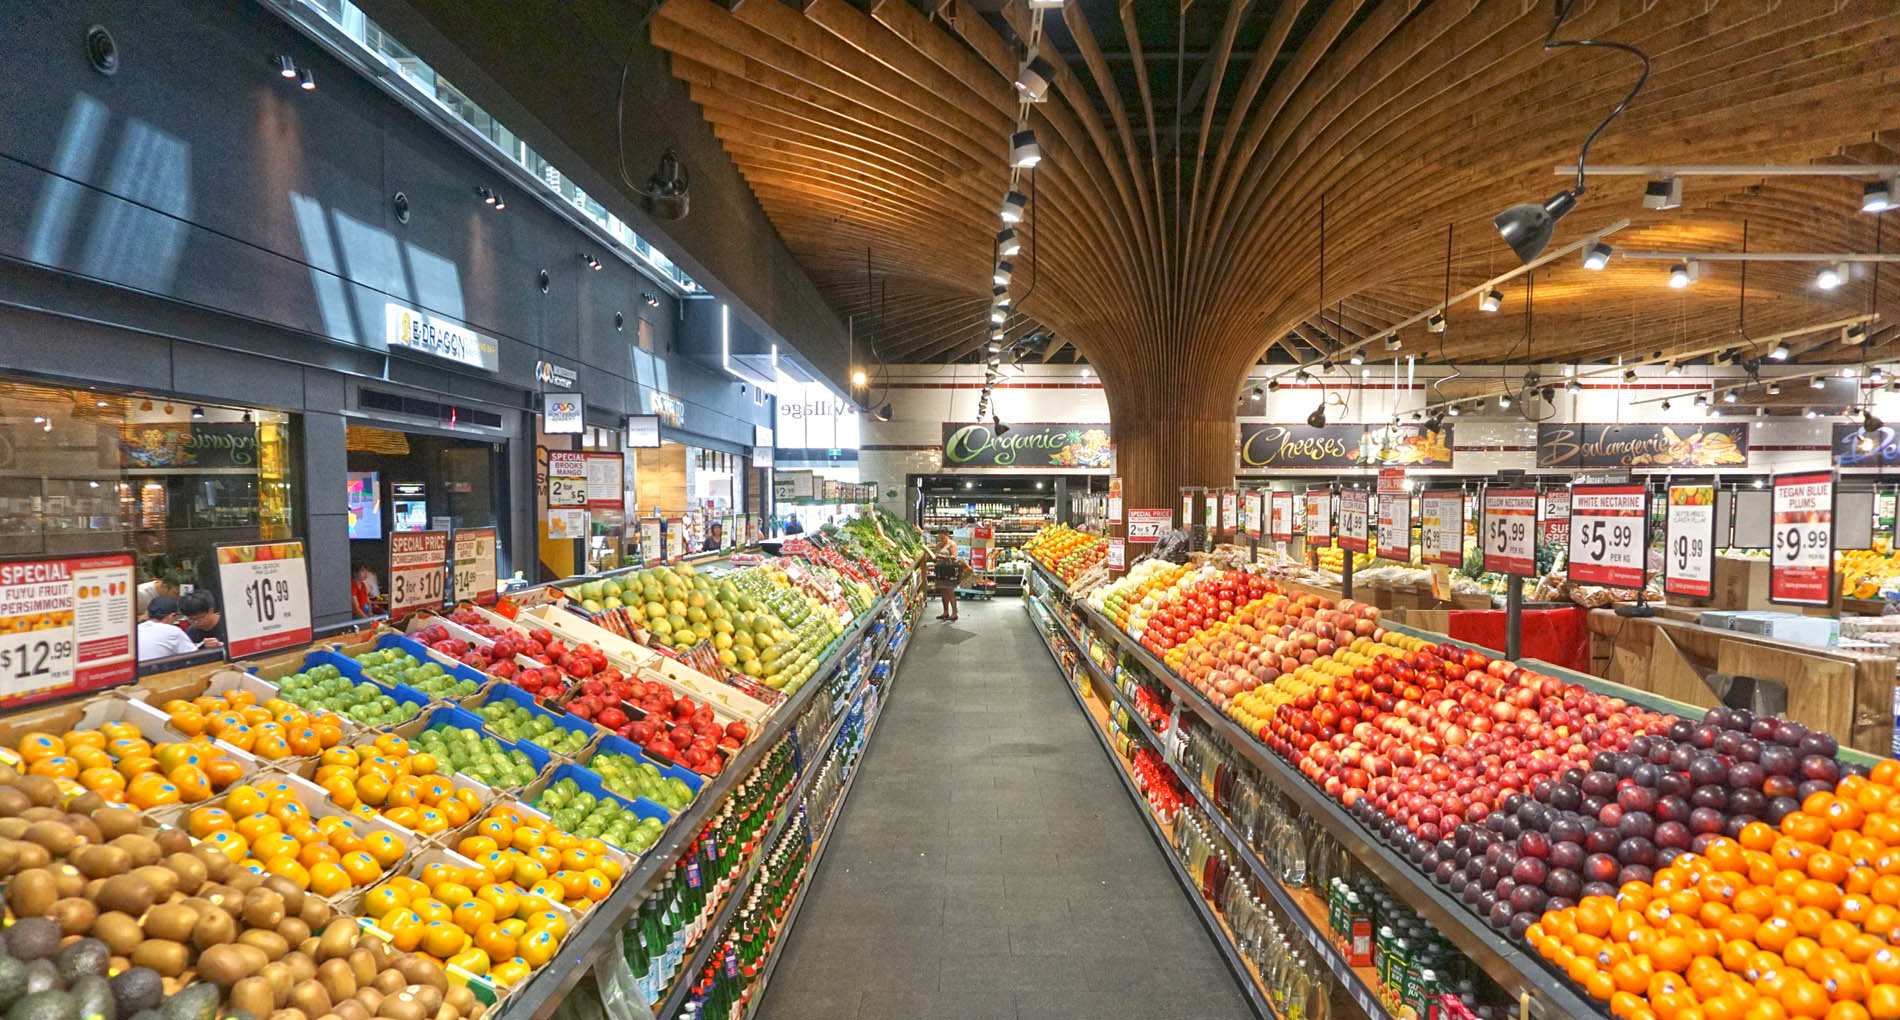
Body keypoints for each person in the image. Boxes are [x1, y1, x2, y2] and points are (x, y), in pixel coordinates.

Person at [136, 596, 200, 662]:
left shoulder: (137, 629)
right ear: (171, 616)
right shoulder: (174, 631)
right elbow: (194, 657)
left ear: (148, 613)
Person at [931, 528, 962, 622]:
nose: (941, 538)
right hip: (940, 570)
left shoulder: (952, 544)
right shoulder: (938, 545)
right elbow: (934, 555)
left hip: (949, 570)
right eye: (939, 536)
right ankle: (945, 612)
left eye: (942, 536)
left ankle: (954, 613)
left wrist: (941, 556)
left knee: (950, 591)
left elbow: (954, 557)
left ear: (947, 534)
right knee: (943, 591)